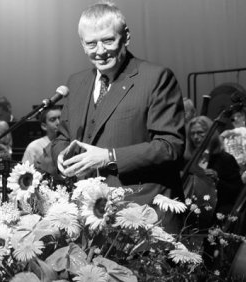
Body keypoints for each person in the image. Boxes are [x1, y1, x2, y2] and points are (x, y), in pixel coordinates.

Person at [51, 3, 185, 233]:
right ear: (82, 44)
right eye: (91, 43)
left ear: (126, 37)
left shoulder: (156, 78)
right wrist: (61, 157)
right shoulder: (76, 82)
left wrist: (109, 157)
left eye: (108, 40)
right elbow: (62, 137)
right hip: (88, 218)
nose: (100, 51)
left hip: (141, 216)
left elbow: (170, 147)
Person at [186, 116, 243, 215]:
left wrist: (217, 181)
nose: (195, 137)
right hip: (190, 213)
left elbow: (237, 191)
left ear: (210, 134)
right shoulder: (187, 160)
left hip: (219, 213)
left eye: (200, 133)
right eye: (192, 134)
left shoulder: (225, 159)